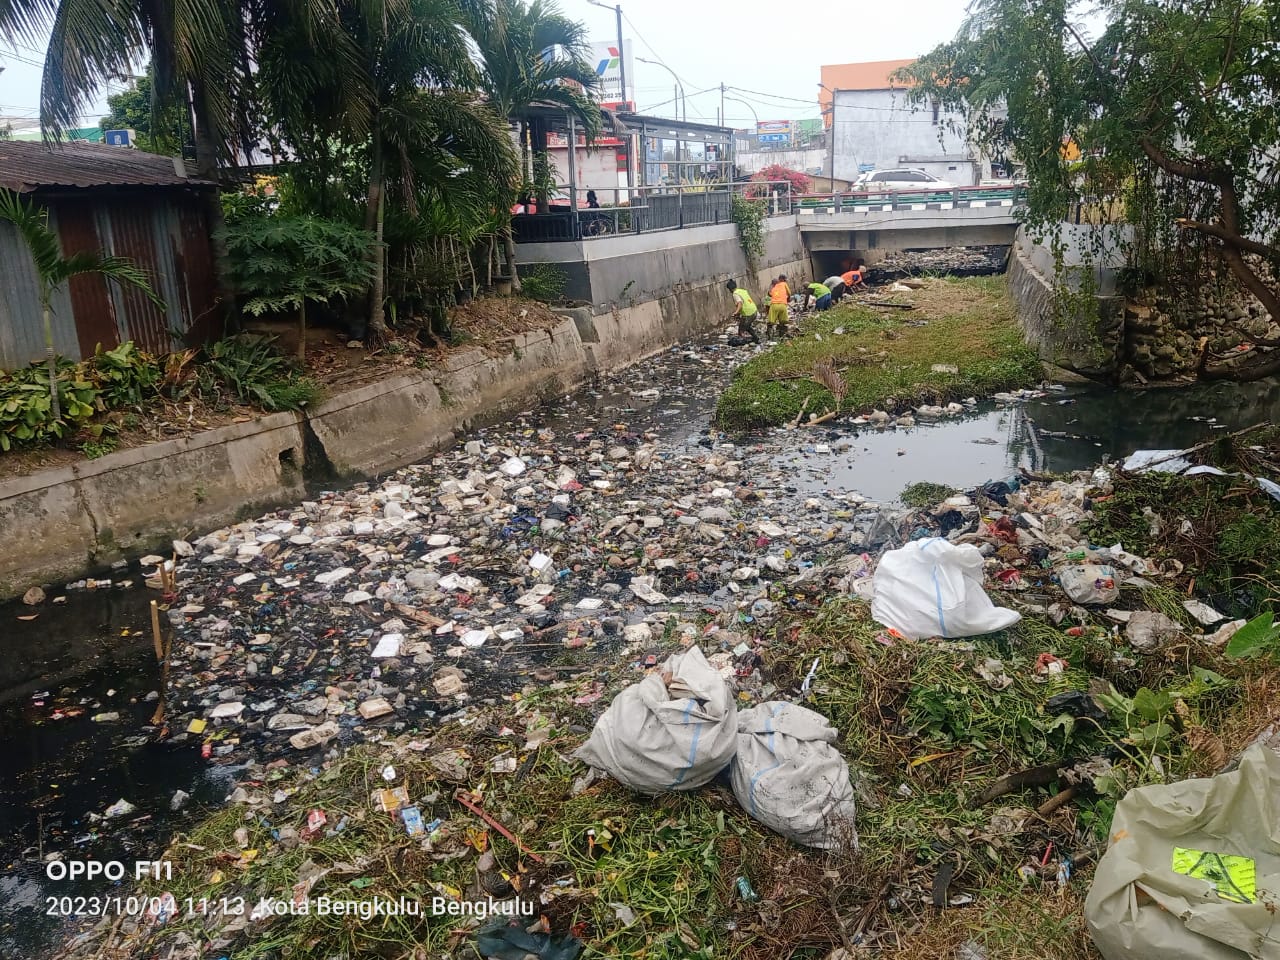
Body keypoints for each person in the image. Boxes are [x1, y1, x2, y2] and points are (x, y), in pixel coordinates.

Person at [767, 274, 791, 338]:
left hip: (774, 306)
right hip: (783, 305)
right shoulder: (784, 284)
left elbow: (769, 294)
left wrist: (771, 285)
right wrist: (788, 299)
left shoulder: (774, 287)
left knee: (771, 322)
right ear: (782, 280)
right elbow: (789, 293)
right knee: (783, 322)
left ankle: (769, 336)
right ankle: (782, 336)